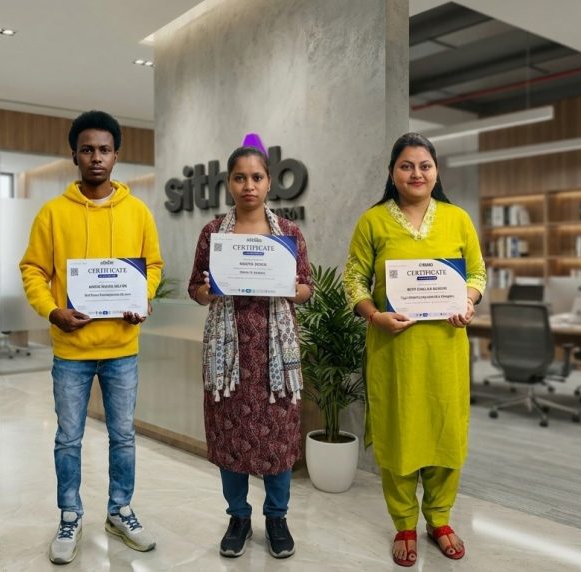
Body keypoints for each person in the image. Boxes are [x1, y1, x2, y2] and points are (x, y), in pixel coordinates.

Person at [19, 110, 164, 565]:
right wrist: (53, 311)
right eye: (87, 150)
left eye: (104, 150)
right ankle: (70, 514)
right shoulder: (53, 213)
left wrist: (143, 296)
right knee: (68, 438)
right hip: (72, 351)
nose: (96, 157)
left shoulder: (138, 212)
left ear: (116, 155)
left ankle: (120, 510)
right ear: (74, 156)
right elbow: (33, 270)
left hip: (122, 348)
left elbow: (153, 265)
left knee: (123, 436)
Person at [342, 133, 485, 567]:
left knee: (445, 433)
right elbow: (353, 279)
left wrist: (468, 302)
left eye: (425, 165)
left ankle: (439, 518)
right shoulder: (373, 221)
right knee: (399, 434)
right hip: (394, 351)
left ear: (436, 171)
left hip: (445, 349)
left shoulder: (458, 219)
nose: (416, 173)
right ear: (392, 172)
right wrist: (374, 316)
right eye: (406, 166)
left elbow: (476, 273)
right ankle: (404, 522)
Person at [188, 145, 313, 560]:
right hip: (228, 359)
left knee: (279, 440)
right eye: (240, 177)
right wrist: (208, 290)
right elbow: (195, 289)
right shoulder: (214, 234)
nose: (249, 185)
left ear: (269, 182)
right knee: (230, 439)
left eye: (256, 177)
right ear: (229, 183)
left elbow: (307, 287)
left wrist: (287, 286)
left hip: (274, 356)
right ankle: (238, 517)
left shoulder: (288, 233)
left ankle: (277, 517)